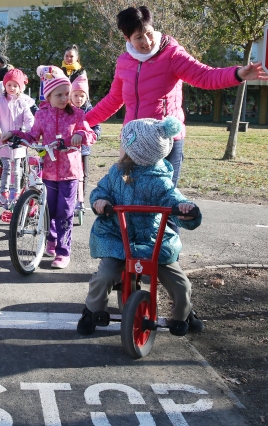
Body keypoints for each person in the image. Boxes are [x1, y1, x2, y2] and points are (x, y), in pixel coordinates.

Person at [85, 6, 267, 188]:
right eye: (138, 37)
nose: (147, 41)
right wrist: (84, 121)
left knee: (164, 201)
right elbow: (113, 100)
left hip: (165, 139)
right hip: (134, 141)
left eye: (148, 33)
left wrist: (237, 74)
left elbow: (204, 76)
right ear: (127, 38)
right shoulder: (124, 62)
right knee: (129, 197)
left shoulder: (172, 54)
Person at [77, 116, 203, 337]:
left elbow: (174, 199)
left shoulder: (160, 181)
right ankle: (92, 311)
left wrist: (186, 210)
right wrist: (100, 201)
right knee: (104, 276)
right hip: (118, 237)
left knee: (180, 285)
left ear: (133, 152)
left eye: (123, 145)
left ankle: (184, 314)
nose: (120, 148)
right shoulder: (116, 173)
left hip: (151, 242)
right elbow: (100, 190)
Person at [1, 66, 96, 269]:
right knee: (50, 210)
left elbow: (91, 134)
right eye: (58, 94)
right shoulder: (42, 115)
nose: (64, 98)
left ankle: (63, 251)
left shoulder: (77, 114)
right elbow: (33, 136)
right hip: (50, 171)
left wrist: (81, 136)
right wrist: (15, 134)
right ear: (49, 96)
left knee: (65, 211)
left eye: (66, 94)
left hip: (70, 172)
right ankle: (51, 240)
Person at [0, 68, 35, 206]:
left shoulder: (23, 102)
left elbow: (29, 119)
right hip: (3, 140)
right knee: (7, 167)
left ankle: (17, 192)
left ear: (20, 87)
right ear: (5, 85)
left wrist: (29, 131)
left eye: (15, 85)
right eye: (9, 85)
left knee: (18, 167)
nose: (12, 88)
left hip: (19, 140)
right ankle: (4, 192)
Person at [69, 73, 101, 210]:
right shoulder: (68, 110)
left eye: (82, 96)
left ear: (86, 96)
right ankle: (72, 197)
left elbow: (97, 128)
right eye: (75, 95)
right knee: (71, 174)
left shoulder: (90, 110)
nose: (79, 99)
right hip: (69, 150)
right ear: (71, 95)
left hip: (84, 149)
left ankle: (80, 199)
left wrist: (92, 136)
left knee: (84, 174)